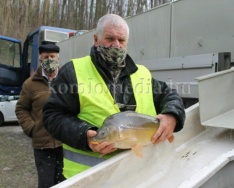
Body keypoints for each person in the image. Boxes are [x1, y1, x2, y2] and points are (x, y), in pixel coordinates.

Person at [43, 14, 186, 179]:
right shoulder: (73, 72)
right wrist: (84, 135)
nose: (116, 45)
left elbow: (170, 95)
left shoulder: (142, 73)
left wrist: (172, 115)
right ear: (96, 39)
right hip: (91, 179)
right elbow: (52, 116)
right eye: (109, 38)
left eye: (121, 40)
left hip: (138, 174)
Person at [15, 43, 66, 188]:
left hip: (66, 143)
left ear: (58, 58)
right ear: (40, 59)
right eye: (46, 57)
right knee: (46, 184)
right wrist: (32, 128)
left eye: (52, 56)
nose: (49, 59)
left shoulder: (67, 79)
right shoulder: (30, 84)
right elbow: (21, 109)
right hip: (42, 146)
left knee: (66, 182)